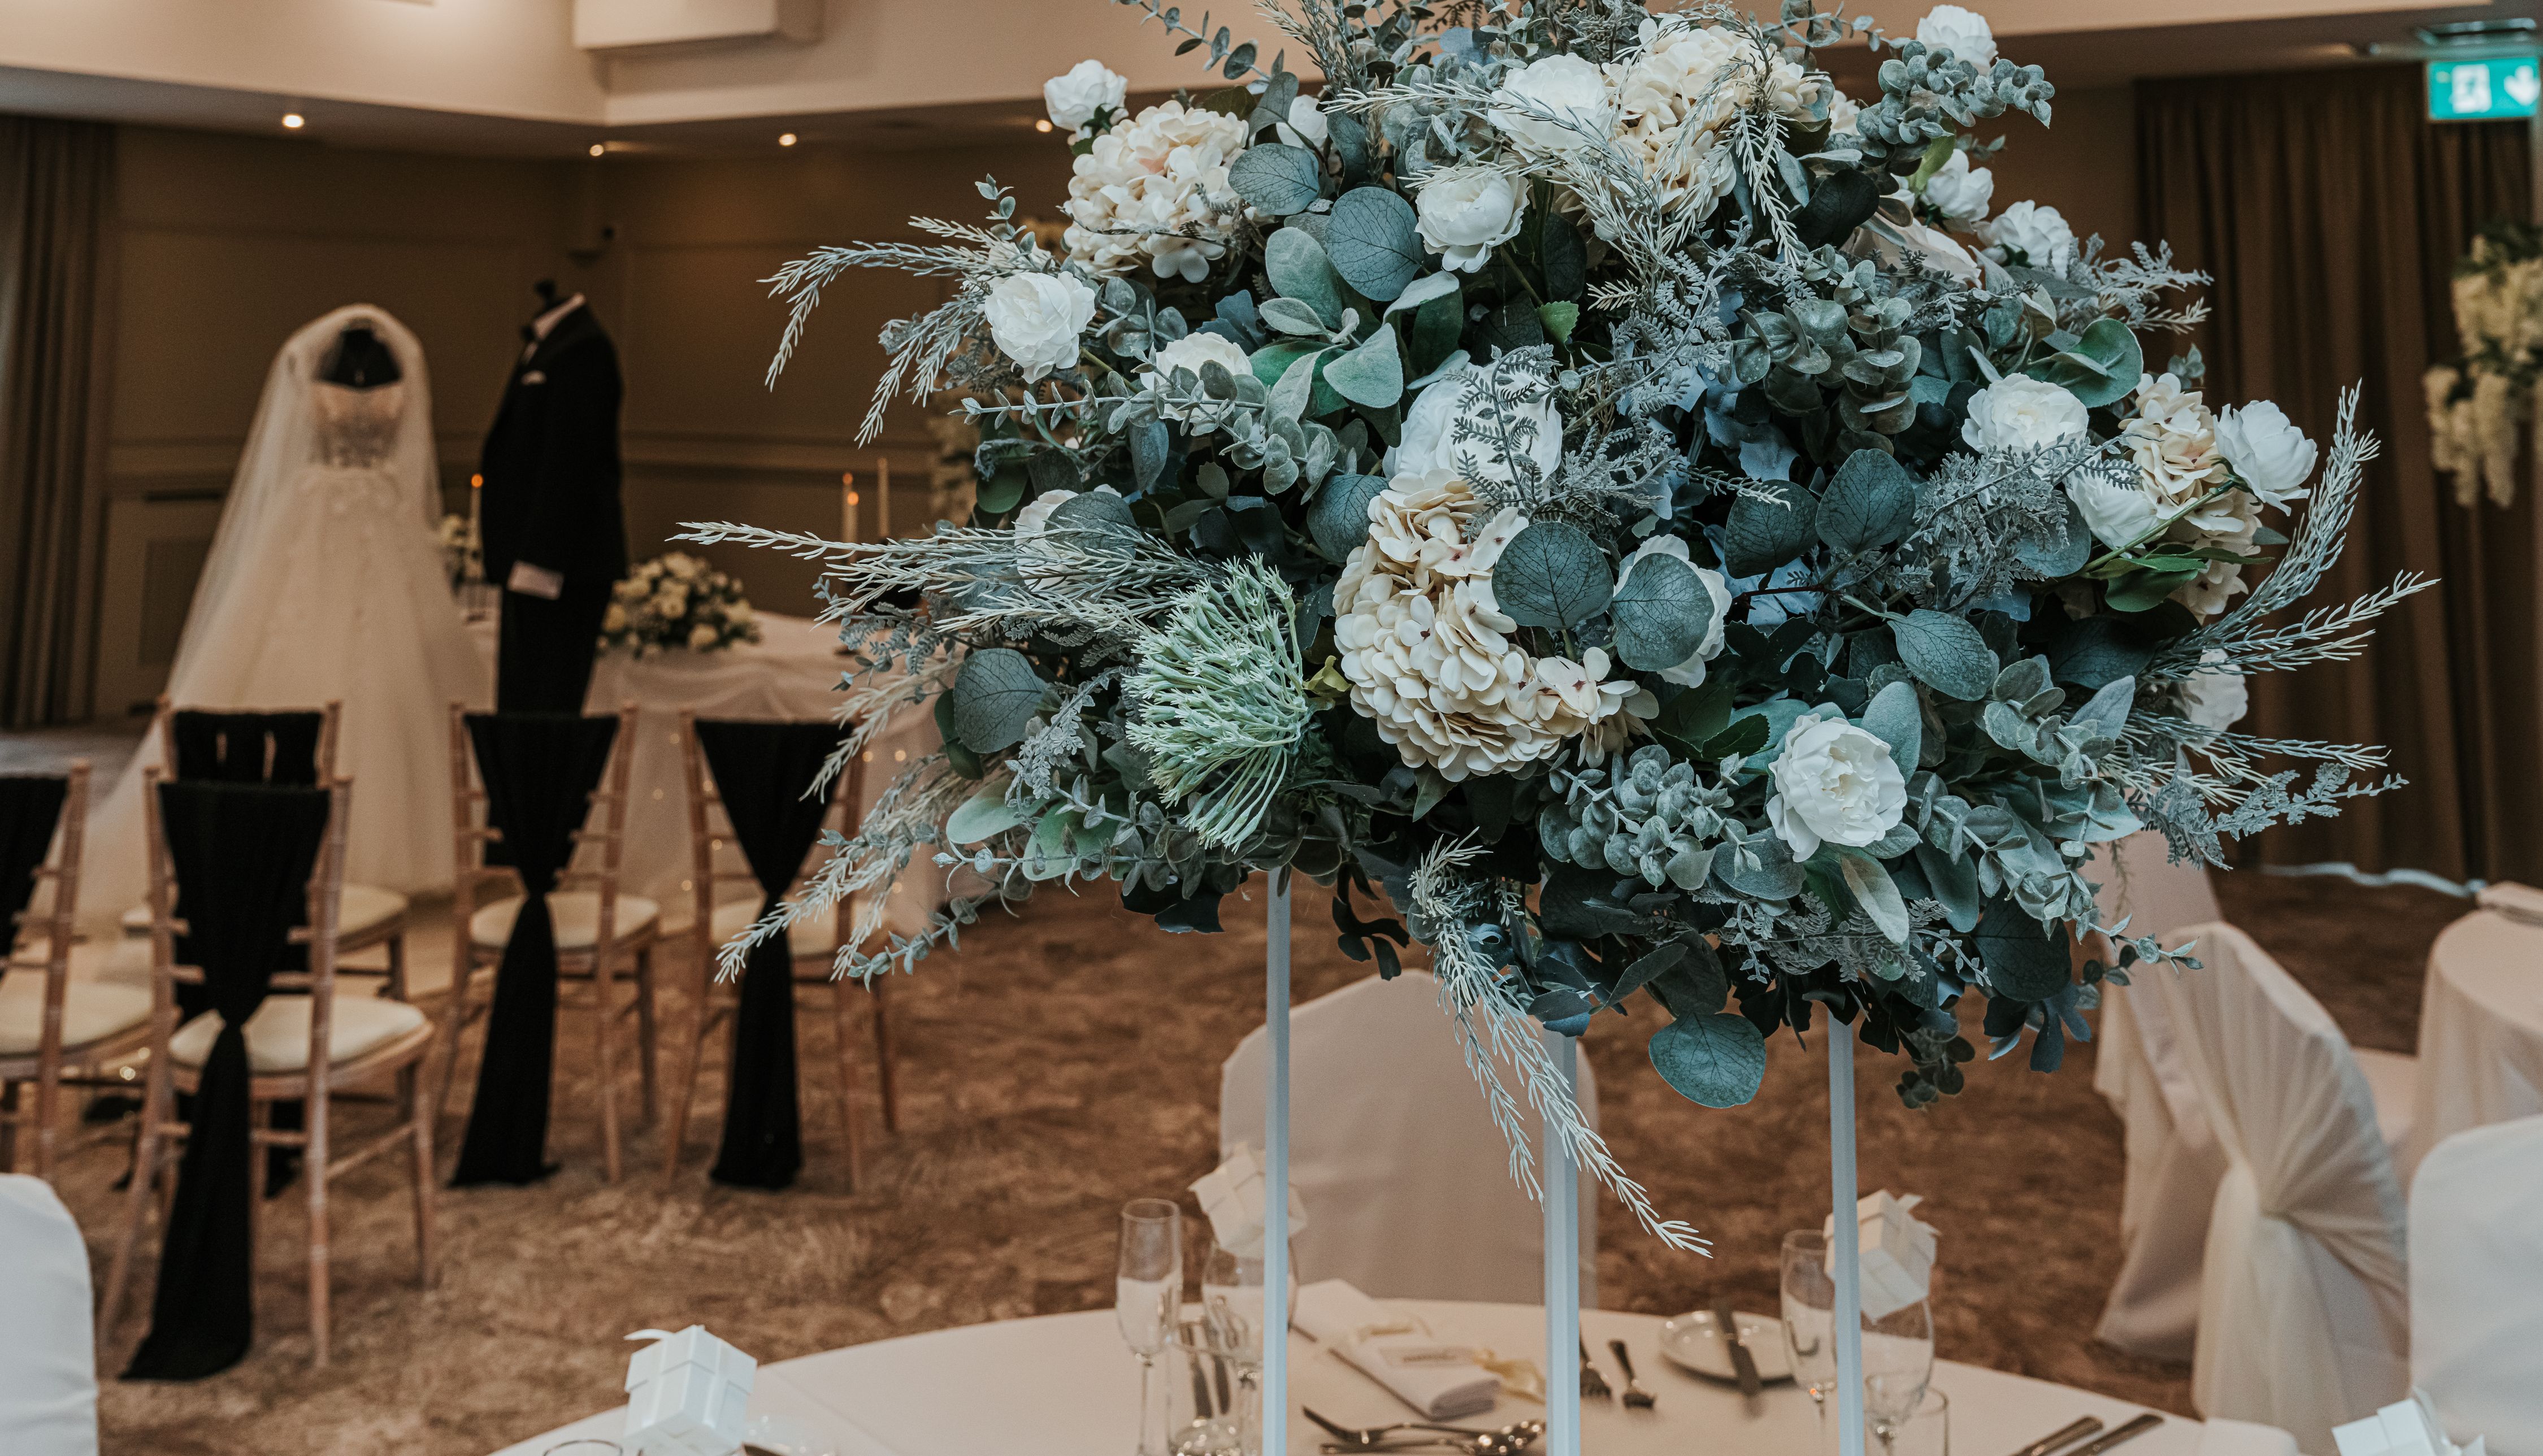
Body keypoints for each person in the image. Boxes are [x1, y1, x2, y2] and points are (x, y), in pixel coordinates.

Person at [76, 306, 487, 927]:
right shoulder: (308, 361)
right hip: (317, 519)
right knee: (290, 649)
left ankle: (374, 848)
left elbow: (412, 452)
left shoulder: (399, 362)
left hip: (381, 516)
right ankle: (261, 831)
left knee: (391, 670)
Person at [480, 284, 627, 711]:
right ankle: (521, 777)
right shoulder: (549, 344)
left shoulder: (584, 349)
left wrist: (541, 560)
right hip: (532, 559)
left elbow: (573, 461)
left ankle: (541, 779)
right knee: (521, 698)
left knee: (547, 701)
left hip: (560, 564)